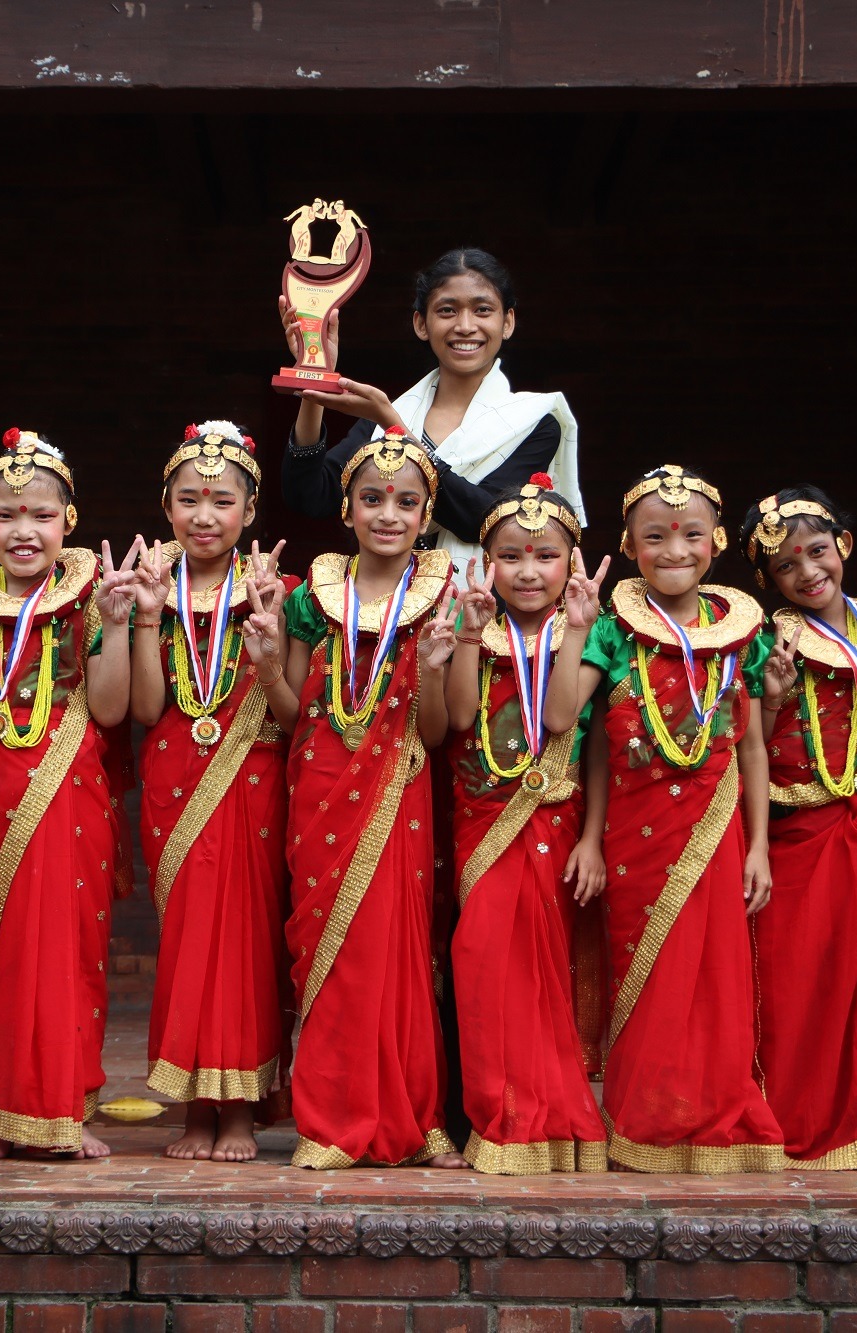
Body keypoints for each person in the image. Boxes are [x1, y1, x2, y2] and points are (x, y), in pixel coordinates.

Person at [544, 465, 786, 1172]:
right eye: (654, 537)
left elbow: (753, 747)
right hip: (633, 837)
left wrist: (761, 846)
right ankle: (646, 1124)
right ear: (629, 544)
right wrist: (576, 627)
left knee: (714, 978)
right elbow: (567, 721)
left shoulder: (744, 632)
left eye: (689, 535)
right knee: (645, 976)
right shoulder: (617, 631)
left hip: (718, 834)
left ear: (716, 540)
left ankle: (713, 1120)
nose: (674, 550)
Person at [0, 429, 138, 1161]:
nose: (24, 530)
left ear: (68, 522)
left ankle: (62, 1107)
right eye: (7, 514)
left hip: (69, 804)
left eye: (40, 514)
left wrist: (119, 619)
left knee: (66, 954)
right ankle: (0, 1109)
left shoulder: (87, 600)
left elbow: (108, 710)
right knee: (6, 959)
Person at [277, 426, 464, 1168]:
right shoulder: (311, 595)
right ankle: (328, 1119)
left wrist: (439, 664)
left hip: (400, 791)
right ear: (346, 509)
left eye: (407, 502)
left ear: (427, 515)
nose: (389, 513)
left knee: (396, 950)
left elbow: (441, 730)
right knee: (329, 947)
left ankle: (412, 1118)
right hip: (320, 786)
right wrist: (265, 667)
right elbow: (294, 714)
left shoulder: (442, 594)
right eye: (372, 498)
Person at [737, 487, 857, 1168]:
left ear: (843, 545)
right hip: (800, 830)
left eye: (818, 551)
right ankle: (794, 1122)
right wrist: (775, 697)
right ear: (769, 582)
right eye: (788, 566)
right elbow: (748, 744)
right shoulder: (767, 642)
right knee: (798, 980)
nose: (809, 571)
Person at [125, 421, 297, 1163]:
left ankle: (242, 1112)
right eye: (189, 499)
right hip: (174, 780)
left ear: (250, 511)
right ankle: (197, 1107)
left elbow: (292, 708)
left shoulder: (280, 589)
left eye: (221, 500)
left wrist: (270, 638)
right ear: (166, 507)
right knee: (189, 944)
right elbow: (142, 706)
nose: (204, 515)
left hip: (253, 781)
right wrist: (146, 616)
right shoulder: (150, 586)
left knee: (248, 945)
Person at [442, 475, 610, 1173]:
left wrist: (595, 838)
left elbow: (567, 720)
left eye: (546, 555)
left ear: (572, 561)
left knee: (548, 976)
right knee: (481, 963)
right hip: (480, 824)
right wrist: (467, 636)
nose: (529, 570)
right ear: (487, 562)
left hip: (555, 826)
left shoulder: (598, 632)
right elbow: (455, 718)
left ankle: (554, 1120)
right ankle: (495, 1117)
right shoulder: (471, 626)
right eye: (511, 555)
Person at [279, 247, 581, 574]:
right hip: (384, 608)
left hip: (476, 610)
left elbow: (487, 521)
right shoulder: (389, 416)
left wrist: (396, 428)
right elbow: (310, 497)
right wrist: (314, 376)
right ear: (421, 324)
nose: (465, 326)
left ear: (507, 322)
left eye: (482, 310)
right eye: (447, 311)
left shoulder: (533, 421)